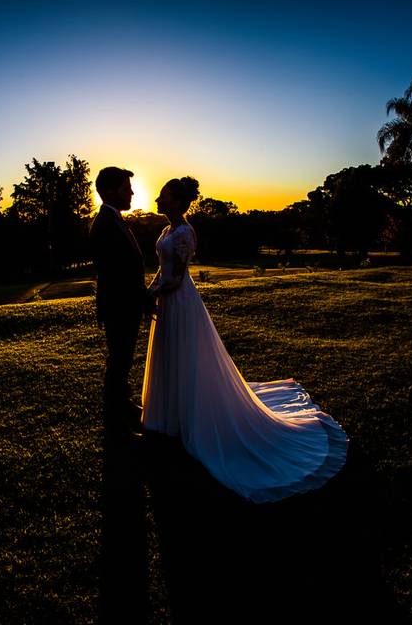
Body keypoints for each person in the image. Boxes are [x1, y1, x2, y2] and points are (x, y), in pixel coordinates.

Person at [141, 176, 349, 503]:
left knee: (187, 358)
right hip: (167, 303)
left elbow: (177, 278)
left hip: (181, 303)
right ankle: (171, 416)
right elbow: (162, 270)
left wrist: (151, 294)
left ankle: (194, 417)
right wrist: (150, 291)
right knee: (171, 358)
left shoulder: (183, 233)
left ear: (178, 202)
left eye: (164, 196)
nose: (157, 199)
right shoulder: (166, 231)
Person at [88, 166, 155, 623]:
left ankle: (123, 407)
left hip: (125, 303)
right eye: (127, 187)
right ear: (111, 190)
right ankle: (116, 419)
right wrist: (142, 298)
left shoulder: (114, 220)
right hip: (120, 305)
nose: (132, 192)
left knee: (122, 362)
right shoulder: (105, 223)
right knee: (119, 361)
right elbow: (118, 273)